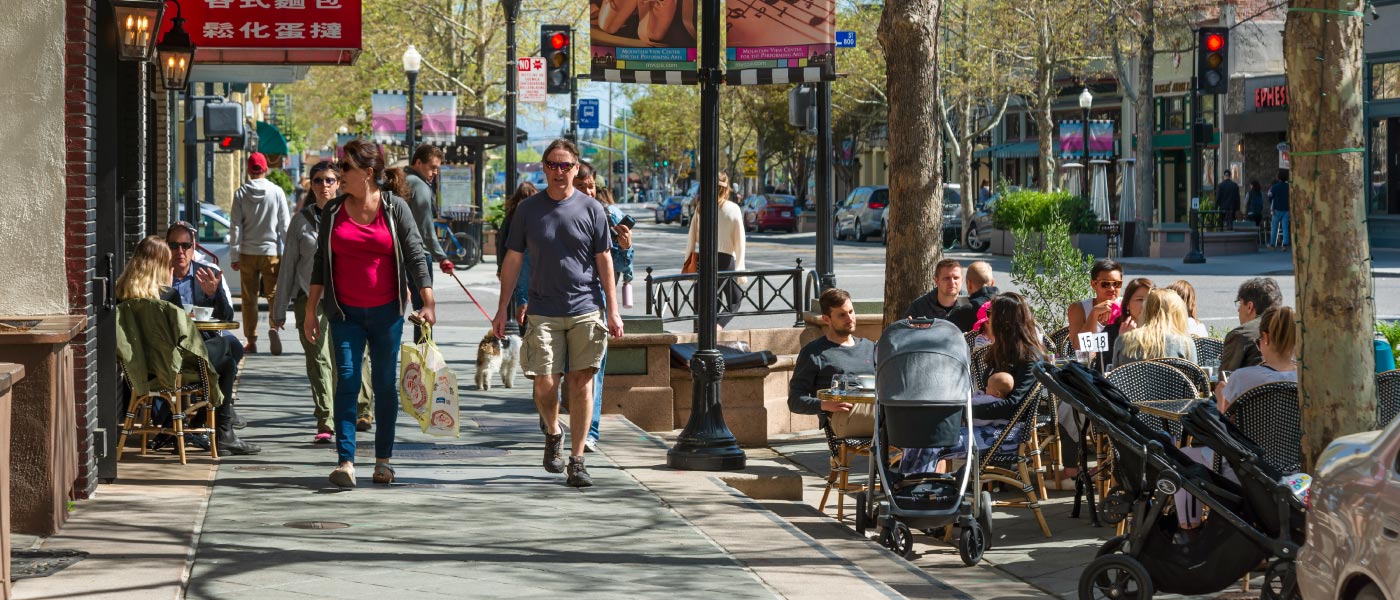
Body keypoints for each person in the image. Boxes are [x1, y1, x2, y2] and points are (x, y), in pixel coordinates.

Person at [492, 139, 625, 488]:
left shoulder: (592, 209)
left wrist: (614, 310)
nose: (559, 171)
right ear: (543, 167)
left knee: (582, 384)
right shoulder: (529, 211)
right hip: (543, 309)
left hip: (585, 307)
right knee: (545, 383)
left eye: (565, 165)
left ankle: (578, 460)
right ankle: (553, 431)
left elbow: (605, 261)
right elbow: (513, 260)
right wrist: (501, 309)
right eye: (552, 164)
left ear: (577, 167)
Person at [305, 140, 436, 488]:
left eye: (344, 168)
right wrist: (309, 310)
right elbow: (320, 262)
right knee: (346, 380)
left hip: (386, 314)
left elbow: (415, 254)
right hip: (343, 313)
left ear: (367, 173)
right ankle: (345, 461)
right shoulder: (332, 212)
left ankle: (383, 461)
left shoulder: (395, 209)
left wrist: (428, 301)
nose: (337, 174)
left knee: (383, 386)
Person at [271, 161, 373, 444]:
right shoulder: (301, 221)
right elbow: (288, 266)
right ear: (311, 185)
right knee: (318, 361)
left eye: (329, 180)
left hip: (347, 299)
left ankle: (354, 412)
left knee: (348, 358)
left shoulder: (352, 214)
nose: (324, 185)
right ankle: (325, 420)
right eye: (318, 181)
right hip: (310, 300)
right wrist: (279, 310)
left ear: (339, 183)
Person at [159, 225, 262, 455]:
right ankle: (220, 426)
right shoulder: (157, 275)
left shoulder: (205, 273)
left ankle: (207, 419)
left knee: (231, 348)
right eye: (174, 246)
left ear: (193, 247)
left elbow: (226, 317)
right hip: (170, 351)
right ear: (167, 248)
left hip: (200, 342)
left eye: (185, 246)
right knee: (226, 353)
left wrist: (213, 294)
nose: (180, 252)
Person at [229, 152, 290, 355]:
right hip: (271, 251)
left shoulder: (240, 194)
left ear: (248, 169)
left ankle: (251, 340)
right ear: (266, 169)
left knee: (249, 298)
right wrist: (289, 252)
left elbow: (235, 227)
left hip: (247, 252)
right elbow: (284, 225)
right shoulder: (277, 192)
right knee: (273, 295)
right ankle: (274, 327)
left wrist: (234, 255)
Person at [788, 288, 876, 420]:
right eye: (842, 315)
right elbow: (795, 401)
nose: (850, 318)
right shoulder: (814, 353)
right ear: (826, 319)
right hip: (844, 419)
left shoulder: (869, 347)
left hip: (877, 414)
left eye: (851, 312)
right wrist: (824, 405)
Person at [404, 144, 455, 342]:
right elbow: (425, 228)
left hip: (393, 253)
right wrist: (442, 257)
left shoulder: (400, 180)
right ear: (418, 163)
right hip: (417, 254)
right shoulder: (419, 185)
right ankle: (423, 356)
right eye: (432, 167)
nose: (434, 173)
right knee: (424, 310)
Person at [683, 171, 746, 328]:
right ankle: (718, 326)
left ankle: (700, 332)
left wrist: (687, 261)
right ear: (726, 189)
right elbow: (740, 240)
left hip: (704, 259)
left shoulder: (701, 207)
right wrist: (740, 266)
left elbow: (691, 236)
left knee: (703, 301)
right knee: (735, 299)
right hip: (725, 261)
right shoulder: (733, 209)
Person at [1215, 305, 1298, 413]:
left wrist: (1221, 397)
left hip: (1248, 430)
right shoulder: (1306, 378)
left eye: (1258, 341)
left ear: (1266, 338)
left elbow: (1226, 424)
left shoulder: (1241, 378)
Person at [1111, 289, 1197, 366]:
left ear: (1145, 310)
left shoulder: (1123, 340)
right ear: (1178, 313)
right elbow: (1194, 380)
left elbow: (1114, 375)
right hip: (1172, 383)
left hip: (1131, 384)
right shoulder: (1185, 344)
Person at [1219, 277, 1283, 376]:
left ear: (1249, 307)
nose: (1238, 310)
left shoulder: (1240, 335)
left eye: (1240, 303)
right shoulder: (1291, 330)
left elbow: (1225, 380)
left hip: (1252, 390)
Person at [496, 182, 538, 326]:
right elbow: (502, 244)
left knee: (520, 297)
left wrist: (500, 266)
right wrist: (501, 267)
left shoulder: (513, 217)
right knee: (520, 297)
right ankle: (519, 324)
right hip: (519, 265)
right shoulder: (515, 218)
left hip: (525, 266)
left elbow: (500, 243)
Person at [905, 258, 976, 331]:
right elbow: (901, 335)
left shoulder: (971, 304)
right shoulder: (919, 307)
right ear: (936, 281)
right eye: (946, 278)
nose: (952, 283)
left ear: (962, 280)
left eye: (956, 278)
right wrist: (914, 332)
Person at [1068, 258, 1122, 350]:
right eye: (1105, 284)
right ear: (1093, 284)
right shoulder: (1078, 308)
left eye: (1116, 284)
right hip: (1091, 362)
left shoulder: (1128, 305)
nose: (1112, 289)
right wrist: (1094, 314)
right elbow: (1078, 347)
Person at [1103, 277, 1155, 363]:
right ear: (1127, 304)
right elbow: (1104, 366)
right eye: (1140, 299)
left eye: (1150, 300)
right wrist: (1121, 341)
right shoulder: (1111, 331)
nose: (1145, 304)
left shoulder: (1162, 331)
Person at [1269, 171, 1290, 250]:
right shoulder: (1288, 186)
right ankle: (1285, 244)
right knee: (1285, 227)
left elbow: (1270, 196)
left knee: (1274, 227)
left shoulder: (1275, 187)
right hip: (1286, 209)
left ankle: (1272, 244)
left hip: (1277, 209)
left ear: (1278, 177)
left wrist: (1272, 205)